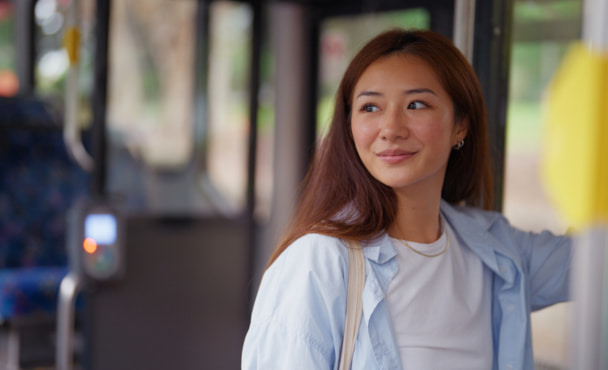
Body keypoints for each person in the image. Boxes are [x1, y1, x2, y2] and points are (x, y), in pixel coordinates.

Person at [241, 29, 571, 370]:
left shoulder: (496, 248)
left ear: (461, 125)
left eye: (416, 104)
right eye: (370, 107)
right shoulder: (318, 262)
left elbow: (589, 264)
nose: (391, 127)